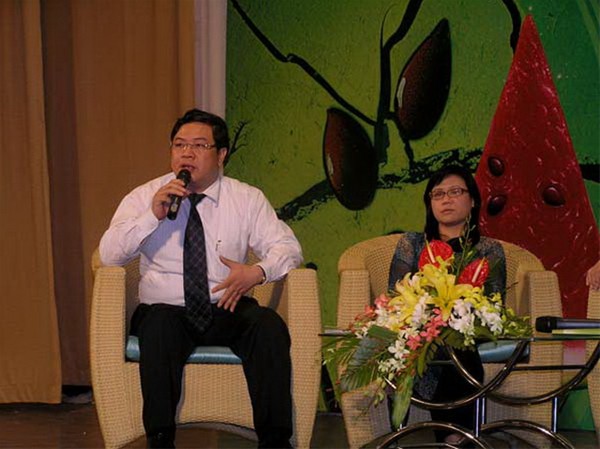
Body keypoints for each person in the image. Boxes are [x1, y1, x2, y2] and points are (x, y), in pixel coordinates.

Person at [99, 108, 303, 448]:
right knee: (159, 327)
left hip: (225, 304)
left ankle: (275, 442)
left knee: (267, 326)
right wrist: (151, 216)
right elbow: (108, 255)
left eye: (198, 145)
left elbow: (288, 247)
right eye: (179, 145)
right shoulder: (146, 196)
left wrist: (257, 272)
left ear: (221, 155)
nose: (187, 153)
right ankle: (160, 441)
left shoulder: (246, 198)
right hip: (164, 311)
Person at [387, 165, 506, 443]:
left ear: (472, 200)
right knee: (435, 342)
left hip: (469, 334)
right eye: (438, 194)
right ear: (429, 203)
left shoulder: (488, 249)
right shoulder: (412, 243)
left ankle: (453, 439)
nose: (446, 200)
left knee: (457, 341)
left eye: (455, 192)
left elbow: (493, 304)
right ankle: (456, 439)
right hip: (418, 333)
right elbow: (396, 295)